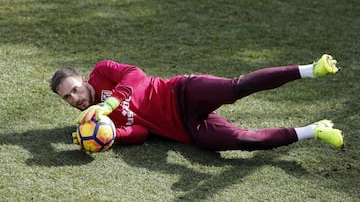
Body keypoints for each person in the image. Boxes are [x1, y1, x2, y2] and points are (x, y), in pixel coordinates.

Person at [50, 54, 344, 152]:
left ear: (82, 79)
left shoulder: (102, 71)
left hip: (181, 91)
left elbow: (136, 75)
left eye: (74, 90)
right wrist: (108, 135)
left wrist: (109, 104)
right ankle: (315, 130)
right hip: (188, 128)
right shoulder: (95, 122)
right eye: (68, 98)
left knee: (236, 88)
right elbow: (142, 133)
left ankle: (310, 69)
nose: (75, 99)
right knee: (244, 141)